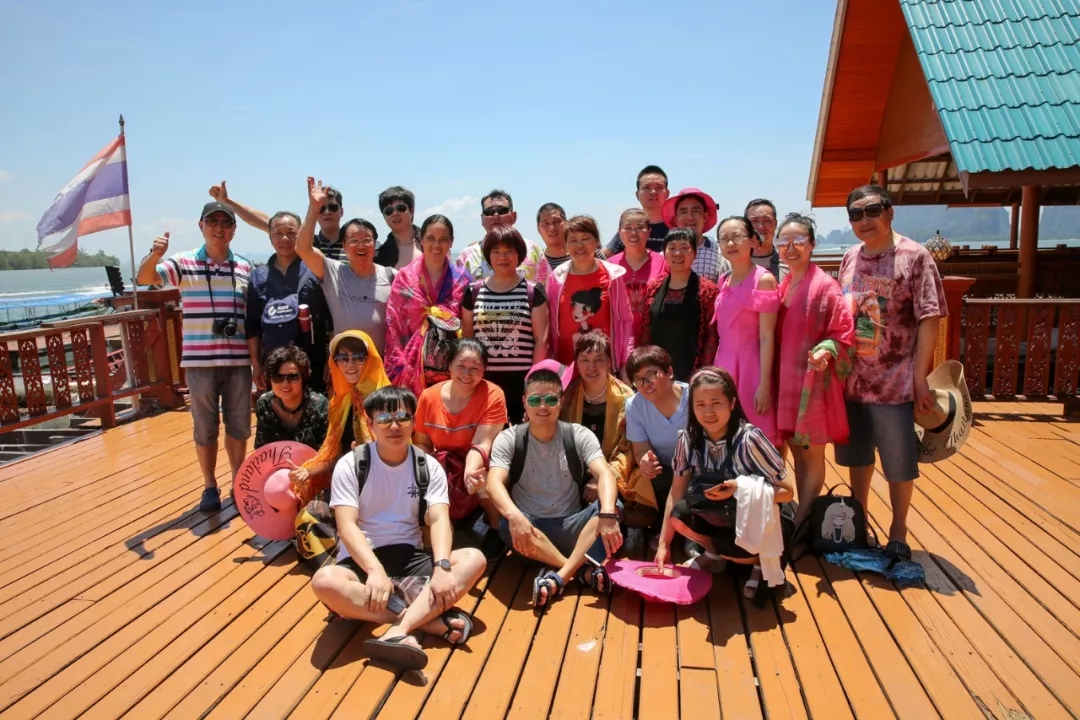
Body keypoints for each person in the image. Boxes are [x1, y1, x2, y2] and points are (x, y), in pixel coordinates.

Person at [310, 387, 487, 671]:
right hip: (363, 559)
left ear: (414, 422)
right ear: (370, 424)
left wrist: (442, 566)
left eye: (403, 417)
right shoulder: (352, 464)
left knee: (473, 559)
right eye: (384, 419)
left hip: (410, 556)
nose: (394, 426)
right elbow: (346, 524)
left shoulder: (427, 466)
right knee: (324, 581)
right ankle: (426, 620)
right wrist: (374, 571)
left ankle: (398, 628)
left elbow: (439, 519)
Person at [835, 185, 947, 562]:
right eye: (856, 214)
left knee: (899, 461)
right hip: (853, 380)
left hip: (895, 382)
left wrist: (920, 376)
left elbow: (929, 317)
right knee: (858, 458)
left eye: (872, 211)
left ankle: (898, 531)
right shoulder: (850, 257)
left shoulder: (915, 256)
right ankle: (860, 522)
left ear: (890, 211)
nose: (864, 220)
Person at [135, 202, 254, 513]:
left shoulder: (245, 267)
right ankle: (210, 486)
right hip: (200, 362)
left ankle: (237, 482)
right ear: (201, 226)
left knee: (239, 426)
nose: (219, 228)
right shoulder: (183, 262)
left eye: (225, 222)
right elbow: (145, 278)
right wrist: (155, 255)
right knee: (205, 427)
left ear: (234, 229)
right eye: (212, 221)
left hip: (238, 361)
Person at [654, 367, 796, 604]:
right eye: (700, 405)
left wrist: (740, 489)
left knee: (735, 548)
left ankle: (759, 563)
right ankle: (715, 554)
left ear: (732, 403)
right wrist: (663, 545)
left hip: (761, 519)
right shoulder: (688, 439)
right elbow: (675, 492)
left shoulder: (750, 439)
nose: (708, 412)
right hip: (721, 515)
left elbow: (788, 492)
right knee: (679, 514)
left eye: (716, 403)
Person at [485, 368, 623, 609]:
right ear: (524, 403)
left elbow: (605, 473)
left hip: (574, 528)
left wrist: (608, 512)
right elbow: (493, 482)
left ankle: (561, 575)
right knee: (507, 522)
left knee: (614, 507)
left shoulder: (578, 434)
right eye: (534, 400)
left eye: (550, 399)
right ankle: (578, 571)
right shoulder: (509, 438)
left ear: (561, 402)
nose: (542, 407)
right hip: (530, 532)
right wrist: (515, 516)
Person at [775, 213, 855, 528]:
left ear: (812, 244)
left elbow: (842, 332)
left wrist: (826, 349)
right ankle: (802, 516)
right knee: (797, 452)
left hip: (812, 383)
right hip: (785, 381)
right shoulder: (785, 283)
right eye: (783, 241)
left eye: (798, 241)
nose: (790, 247)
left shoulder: (825, 286)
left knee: (811, 455)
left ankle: (801, 522)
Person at [560, 331, 655, 528]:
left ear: (609, 362)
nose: (592, 367)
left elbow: (627, 449)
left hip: (613, 471)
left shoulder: (626, 399)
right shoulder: (568, 394)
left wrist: (600, 477)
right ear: (576, 363)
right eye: (585, 360)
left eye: (599, 360)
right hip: (573, 471)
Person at [290, 330, 391, 508]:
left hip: (385, 487)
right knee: (305, 517)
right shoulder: (339, 403)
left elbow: (398, 454)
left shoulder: (388, 400)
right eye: (342, 358)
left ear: (370, 360)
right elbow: (335, 456)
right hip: (347, 483)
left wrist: (368, 455)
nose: (350, 364)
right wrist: (308, 471)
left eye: (358, 357)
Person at [413, 339, 508, 525]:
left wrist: (470, 470)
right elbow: (422, 443)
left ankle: (497, 529)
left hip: (480, 461)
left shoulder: (493, 395)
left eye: (474, 368)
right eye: (461, 366)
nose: (467, 373)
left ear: (484, 370)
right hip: (442, 462)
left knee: (482, 482)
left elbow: (482, 442)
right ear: (449, 366)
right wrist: (430, 471)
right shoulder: (428, 397)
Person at [462, 225, 550, 423]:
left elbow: (541, 340)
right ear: (488, 255)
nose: (503, 257)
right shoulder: (473, 292)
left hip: (522, 381)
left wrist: (533, 382)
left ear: (519, 254)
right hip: (484, 381)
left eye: (509, 251)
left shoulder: (533, 291)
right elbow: (468, 340)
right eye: (496, 252)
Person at [297, 177, 395, 355]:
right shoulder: (333, 272)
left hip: (383, 365)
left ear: (375, 244)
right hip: (345, 365)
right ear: (343, 245)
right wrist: (313, 209)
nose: (361, 246)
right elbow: (302, 248)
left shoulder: (392, 276)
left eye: (367, 240)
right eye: (354, 241)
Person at [384, 214, 471, 396]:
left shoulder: (462, 280)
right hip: (410, 366)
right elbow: (394, 326)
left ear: (451, 242)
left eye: (443, 239)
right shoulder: (405, 278)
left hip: (451, 366)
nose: (436, 245)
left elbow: (469, 326)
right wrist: (399, 364)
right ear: (421, 240)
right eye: (430, 238)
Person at [713, 216, 781, 447]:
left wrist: (764, 384)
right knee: (725, 432)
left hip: (753, 366)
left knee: (758, 434)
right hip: (724, 363)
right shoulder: (724, 279)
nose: (730, 243)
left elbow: (767, 336)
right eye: (724, 239)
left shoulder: (764, 280)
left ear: (752, 241)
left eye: (737, 237)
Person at [245, 210, 327, 393]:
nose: (284, 238)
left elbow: (330, 317)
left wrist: (330, 360)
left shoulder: (315, 268)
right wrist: (256, 366)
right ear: (270, 237)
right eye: (278, 233)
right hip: (274, 366)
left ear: (301, 235)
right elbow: (253, 326)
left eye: (291, 232)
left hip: (313, 362)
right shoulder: (258, 276)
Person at [545, 215, 633, 372]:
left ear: (596, 241)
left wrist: (625, 362)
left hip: (604, 366)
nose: (579, 245)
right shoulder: (556, 278)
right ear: (565, 244)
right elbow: (548, 324)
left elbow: (626, 321)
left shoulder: (613, 275)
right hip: (566, 367)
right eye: (573, 240)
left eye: (585, 238)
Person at [624, 345, 691, 538]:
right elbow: (640, 449)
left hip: (698, 469)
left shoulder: (694, 397)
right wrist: (645, 460)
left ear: (669, 372)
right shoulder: (634, 405)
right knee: (650, 479)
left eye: (651, 375)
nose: (646, 384)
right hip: (667, 470)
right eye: (638, 379)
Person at [641, 228, 719, 381]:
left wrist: (701, 373)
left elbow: (712, 336)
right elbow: (646, 331)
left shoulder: (708, 291)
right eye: (672, 248)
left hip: (693, 374)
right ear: (665, 253)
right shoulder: (653, 288)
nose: (677, 253)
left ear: (694, 254)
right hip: (657, 372)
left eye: (684, 248)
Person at [209, 180, 346, 260]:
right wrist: (227, 202)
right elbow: (263, 221)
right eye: (321, 208)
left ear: (341, 211)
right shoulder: (305, 242)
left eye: (333, 207)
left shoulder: (354, 243)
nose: (327, 212)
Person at [455, 190, 548, 283]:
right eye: (489, 212)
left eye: (502, 211)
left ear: (514, 216)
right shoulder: (467, 256)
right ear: (482, 219)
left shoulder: (533, 250)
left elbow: (547, 287)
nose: (496, 216)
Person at [609, 208, 668, 346]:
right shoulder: (609, 266)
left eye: (640, 228)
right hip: (620, 341)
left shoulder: (664, 263)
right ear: (620, 233)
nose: (634, 233)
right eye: (628, 228)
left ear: (649, 232)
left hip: (655, 340)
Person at [253, 345, 329, 451]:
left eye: (293, 377)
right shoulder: (264, 404)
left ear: (304, 378)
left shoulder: (321, 405)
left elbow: (328, 453)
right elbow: (261, 450)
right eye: (277, 377)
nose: (285, 384)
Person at [661, 188, 731, 283]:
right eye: (684, 212)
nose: (689, 217)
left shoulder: (720, 253)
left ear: (705, 217)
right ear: (675, 219)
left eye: (695, 211)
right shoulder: (664, 255)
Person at [604, 165, 671, 256]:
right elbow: (604, 257)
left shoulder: (676, 227)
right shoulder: (630, 227)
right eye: (646, 187)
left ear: (667, 193)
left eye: (658, 187)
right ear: (637, 195)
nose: (653, 192)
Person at [374, 185, 423, 269]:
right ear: (384, 216)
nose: (395, 213)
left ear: (412, 210)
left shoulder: (432, 241)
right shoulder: (380, 256)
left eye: (401, 208)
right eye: (389, 210)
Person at [745, 199, 789, 281]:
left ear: (775, 224)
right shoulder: (732, 264)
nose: (761, 226)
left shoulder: (788, 264)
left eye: (767, 220)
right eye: (755, 221)